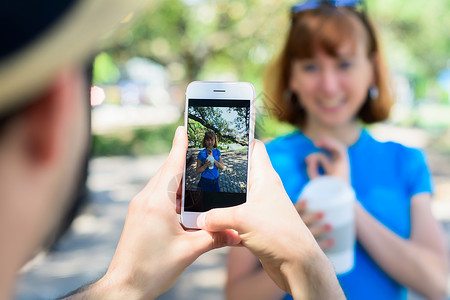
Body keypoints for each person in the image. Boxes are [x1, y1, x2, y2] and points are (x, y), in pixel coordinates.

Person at [0, 0, 345, 299]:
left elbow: (223, 170)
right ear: (53, 112)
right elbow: (196, 173)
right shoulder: (215, 154)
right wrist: (314, 273)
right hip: (204, 187)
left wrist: (124, 285)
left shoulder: (218, 154)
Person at [226, 1, 448, 300]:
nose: (329, 86)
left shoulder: (405, 161)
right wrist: (295, 249)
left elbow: (439, 284)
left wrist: (345, 203)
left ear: (371, 69)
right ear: (291, 76)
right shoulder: (260, 164)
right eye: (310, 66)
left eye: (344, 64)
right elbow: (236, 295)